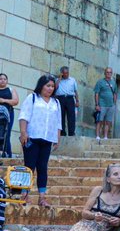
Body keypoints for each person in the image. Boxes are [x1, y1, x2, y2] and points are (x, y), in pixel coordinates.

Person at [19, 74, 62, 206]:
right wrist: (23, 132)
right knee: (29, 167)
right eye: (47, 85)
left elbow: (58, 122)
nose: (50, 88)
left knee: (42, 167)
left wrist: (57, 138)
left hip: (47, 138)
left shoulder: (56, 102)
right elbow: (24, 116)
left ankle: (42, 197)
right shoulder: (32, 98)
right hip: (32, 137)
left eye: (52, 86)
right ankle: (24, 195)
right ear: (41, 86)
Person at [92, 67, 118, 140]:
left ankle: (105, 136)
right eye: (107, 72)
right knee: (99, 120)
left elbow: (115, 93)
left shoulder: (114, 83)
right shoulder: (100, 82)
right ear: (105, 73)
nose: (109, 74)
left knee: (108, 121)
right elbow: (96, 93)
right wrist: (97, 104)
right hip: (102, 104)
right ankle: (97, 136)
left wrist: (114, 103)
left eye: (110, 72)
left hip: (111, 105)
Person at [54, 65, 78, 136]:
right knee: (61, 116)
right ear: (62, 73)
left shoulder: (72, 80)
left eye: (67, 73)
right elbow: (55, 88)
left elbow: (76, 91)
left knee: (71, 116)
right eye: (65, 73)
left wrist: (77, 100)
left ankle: (71, 133)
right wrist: (60, 78)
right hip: (61, 98)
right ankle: (62, 133)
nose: (66, 74)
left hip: (70, 98)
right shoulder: (57, 80)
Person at [0, 72, 14, 158]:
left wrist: (4, 101)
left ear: (7, 81)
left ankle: (8, 156)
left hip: (8, 115)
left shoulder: (11, 90)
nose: (2, 81)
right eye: (1, 79)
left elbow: (15, 101)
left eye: (4, 79)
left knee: (6, 134)